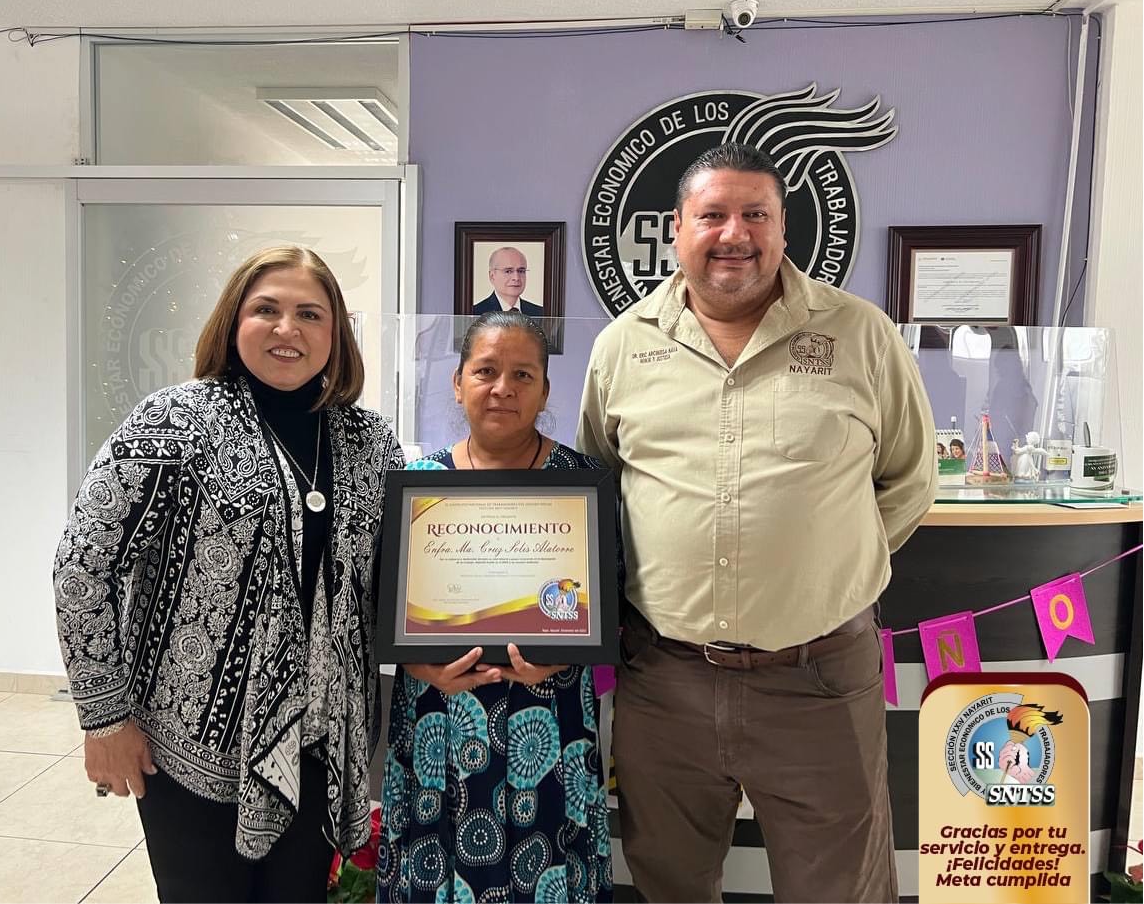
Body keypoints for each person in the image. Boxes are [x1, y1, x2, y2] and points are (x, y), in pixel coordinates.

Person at [577, 142, 936, 903]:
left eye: (755, 215)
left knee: (839, 889)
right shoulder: (622, 346)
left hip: (819, 677)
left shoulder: (859, 334)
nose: (733, 233)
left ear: (782, 228)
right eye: (712, 215)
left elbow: (909, 477)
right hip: (664, 679)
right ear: (677, 228)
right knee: (670, 882)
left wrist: (826, 565)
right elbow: (601, 490)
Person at [53, 246, 403, 903]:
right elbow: (82, 565)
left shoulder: (369, 442)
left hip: (323, 743)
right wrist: (104, 718)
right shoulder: (174, 421)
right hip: (193, 746)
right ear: (233, 321)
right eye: (266, 309)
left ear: (336, 332)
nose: (286, 328)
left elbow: (389, 585)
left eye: (310, 313)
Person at [379, 311, 612, 903]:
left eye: (522, 375)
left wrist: (566, 656)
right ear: (458, 383)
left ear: (545, 391)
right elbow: (381, 604)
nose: (503, 387)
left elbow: (610, 596)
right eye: (485, 371)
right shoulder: (417, 483)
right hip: (438, 712)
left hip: (549, 714)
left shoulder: (583, 481)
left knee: (548, 868)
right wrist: (414, 661)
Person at [472, 247, 544, 316]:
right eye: (508, 271)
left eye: (521, 271)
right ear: (492, 276)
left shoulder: (540, 313)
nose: (516, 278)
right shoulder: (474, 313)